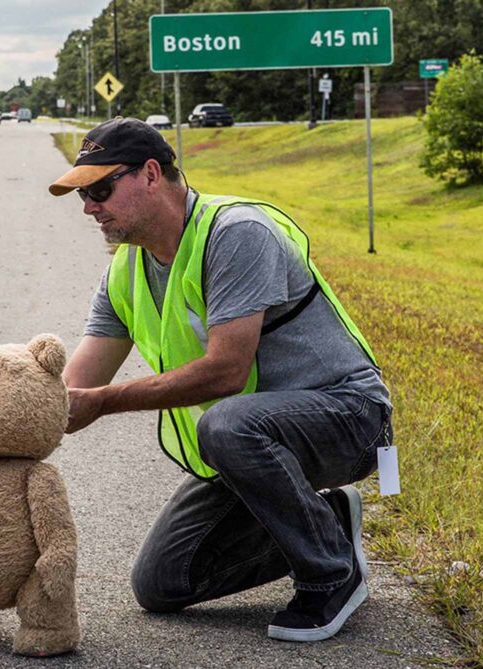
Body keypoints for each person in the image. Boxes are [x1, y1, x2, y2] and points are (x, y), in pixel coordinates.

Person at [49, 116, 392, 641]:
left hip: (348, 416)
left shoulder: (236, 233)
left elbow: (227, 371)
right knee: (161, 584)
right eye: (82, 195)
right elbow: (67, 397)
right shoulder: (125, 271)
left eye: (100, 188)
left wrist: (107, 401)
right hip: (252, 443)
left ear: (148, 174)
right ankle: (329, 523)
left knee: (227, 423)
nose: (90, 206)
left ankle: (331, 573)